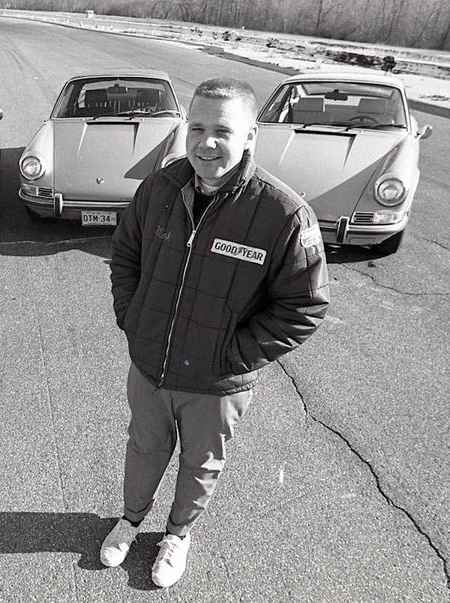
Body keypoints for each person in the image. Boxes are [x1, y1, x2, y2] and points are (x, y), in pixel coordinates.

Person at [104, 78, 330, 588]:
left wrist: (235, 355)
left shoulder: (282, 214)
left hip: (217, 381)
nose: (206, 143)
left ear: (251, 135)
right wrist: (133, 318)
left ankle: (178, 535)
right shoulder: (159, 188)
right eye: (197, 127)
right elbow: (126, 257)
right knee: (143, 449)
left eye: (223, 131)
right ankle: (131, 520)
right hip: (151, 365)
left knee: (200, 464)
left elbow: (305, 306)